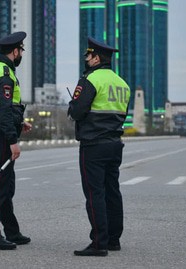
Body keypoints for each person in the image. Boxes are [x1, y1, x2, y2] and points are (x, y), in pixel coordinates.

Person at [68, 37, 131, 257]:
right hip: (115, 143)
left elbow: (77, 112)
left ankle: (98, 243)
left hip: (93, 145)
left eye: (88, 56)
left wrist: (72, 105)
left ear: (96, 58)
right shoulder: (122, 84)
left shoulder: (90, 79)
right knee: (112, 191)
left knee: (95, 193)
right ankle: (114, 239)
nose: (85, 59)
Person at [0, 31, 33, 250]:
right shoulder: (4, 74)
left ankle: (11, 231)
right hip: (0, 134)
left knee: (6, 185)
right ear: (15, 51)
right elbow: (2, 111)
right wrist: (13, 139)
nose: (21, 54)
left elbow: (3, 108)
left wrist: (20, 124)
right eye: (21, 50)